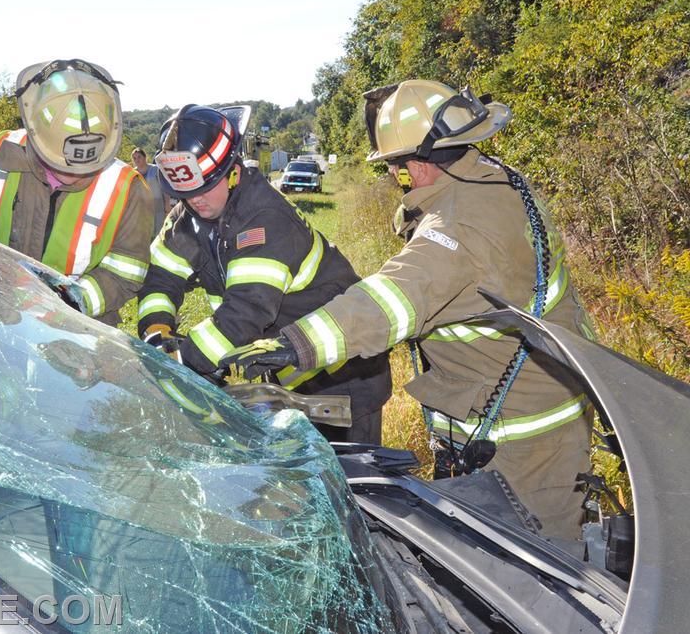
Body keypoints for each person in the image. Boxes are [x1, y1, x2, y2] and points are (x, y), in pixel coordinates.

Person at [224, 80, 597, 539]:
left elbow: (392, 299)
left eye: (395, 168)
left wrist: (294, 344)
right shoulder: (490, 181)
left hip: (524, 441)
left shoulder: (460, 227)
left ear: (414, 166)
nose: (394, 178)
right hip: (513, 416)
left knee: (535, 575)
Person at [137, 104, 391, 443]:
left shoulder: (263, 217)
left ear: (231, 170)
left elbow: (245, 313)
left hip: (341, 377)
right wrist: (156, 332)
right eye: (185, 193)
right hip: (287, 376)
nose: (195, 201)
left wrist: (181, 359)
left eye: (204, 187)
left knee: (351, 487)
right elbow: (161, 279)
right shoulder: (191, 217)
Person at [0, 59, 154, 325]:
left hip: (76, 335)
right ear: (36, 135)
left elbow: (125, 272)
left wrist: (69, 302)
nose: (74, 175)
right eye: (60, 164)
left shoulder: (129, 189)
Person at [131, 146, 170, 233]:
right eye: (134, 158)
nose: (137, 160)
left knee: (159, 231)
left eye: (139, 157)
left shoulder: (156, 169)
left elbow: (165, 187)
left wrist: (167, 203)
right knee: (144, 232)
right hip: (142, 207)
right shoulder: (133, 174)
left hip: (158, 205)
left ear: (145, 157)